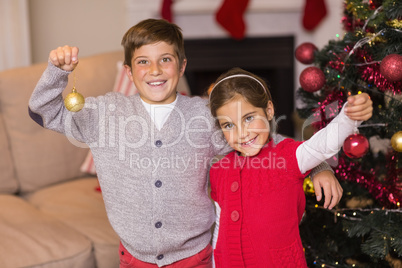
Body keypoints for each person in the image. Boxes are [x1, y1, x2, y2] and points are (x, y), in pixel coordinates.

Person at [29, 19, 342, 268]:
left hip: (195, 257)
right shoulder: (105, 114)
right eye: (143, 62)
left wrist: (318, 165)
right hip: (134, 258)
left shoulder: (204, 115)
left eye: (165, 60)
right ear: (128, 71)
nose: (154, 71)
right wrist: (57, 72)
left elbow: (259, 139)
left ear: (181, 67)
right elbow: (44, 111)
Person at [208, 67, 373, 267]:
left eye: (249, 118)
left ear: (269, 110)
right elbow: (220, 228)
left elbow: (322, 144)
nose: (241, 133)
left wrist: (349, 116)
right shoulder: (219, 171)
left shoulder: (286, 156)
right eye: (228, 125)